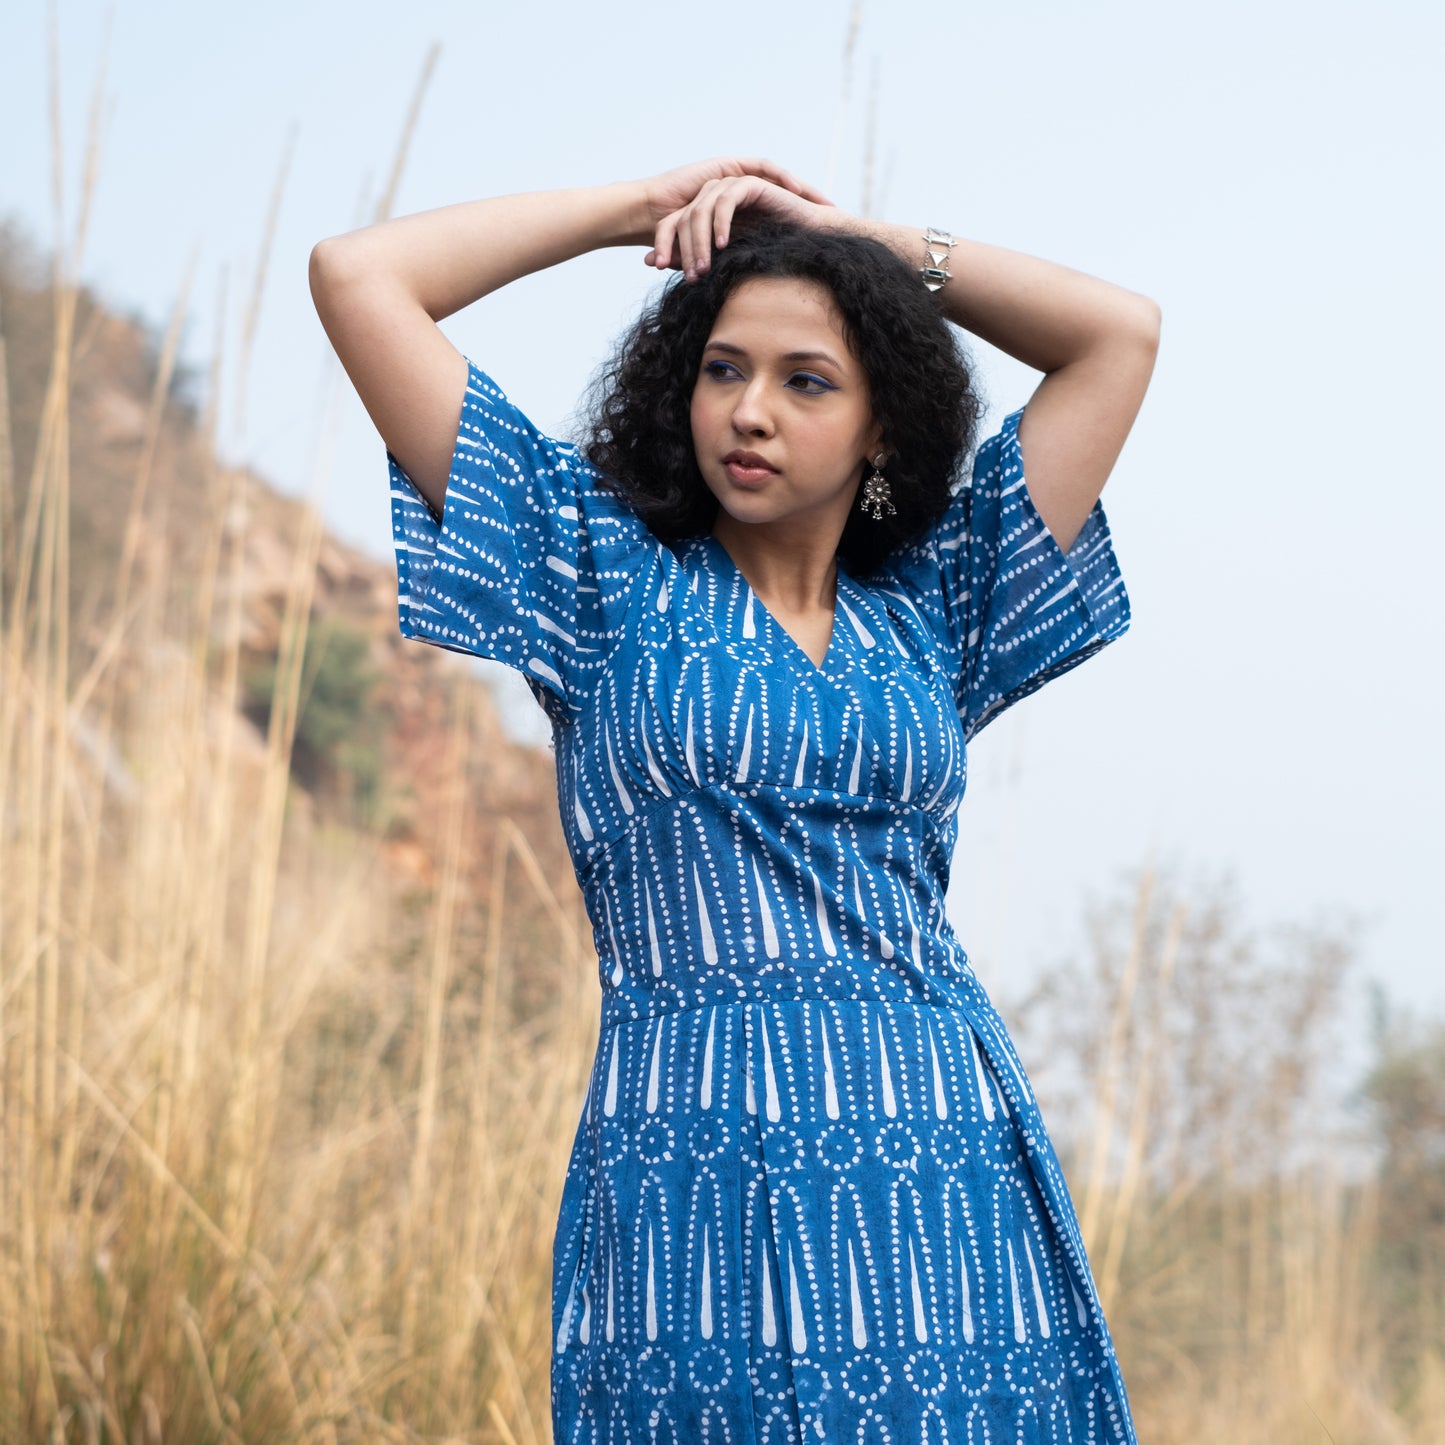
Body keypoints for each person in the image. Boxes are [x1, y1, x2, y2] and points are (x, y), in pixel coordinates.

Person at [310, 157, 1159, 1444]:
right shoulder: (591, 563)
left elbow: (1115, 335)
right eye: (723, 368)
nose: (748, 410)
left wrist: (854, 244)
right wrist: (633, 213)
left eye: (804, 380)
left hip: (932, 1148)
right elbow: (359, 278)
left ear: (881, 428)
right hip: (690, 1147)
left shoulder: (937, 599)